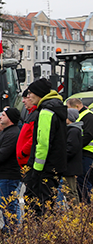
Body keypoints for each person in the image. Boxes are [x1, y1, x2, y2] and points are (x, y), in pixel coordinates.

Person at [23, 77, 67, 218]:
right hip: (54, 166)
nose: (28, 96)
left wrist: (36, 170)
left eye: (30, 93)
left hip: (44, 169)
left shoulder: (46, 112)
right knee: (48, 206)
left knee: (37, 207)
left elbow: (43, 143)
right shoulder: (56, 107)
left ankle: (36, 237)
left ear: (39, 93)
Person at [66, 98, 93, 202]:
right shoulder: (82, 115)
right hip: (81, 153)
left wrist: (76, 145)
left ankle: (86, 208)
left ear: (77, 107)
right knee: (80, 183)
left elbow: (88, 135)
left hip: (86, 153)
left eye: (69, 108)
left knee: (84, 183)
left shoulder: (88, 116)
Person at [64, 108, 84, 204]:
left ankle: (74, 214)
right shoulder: (73, 130)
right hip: (71, 166)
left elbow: (71, 148)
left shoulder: (73, 131)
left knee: (70, 191)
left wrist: (62, 158)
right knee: (72, 191)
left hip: (70, 167)